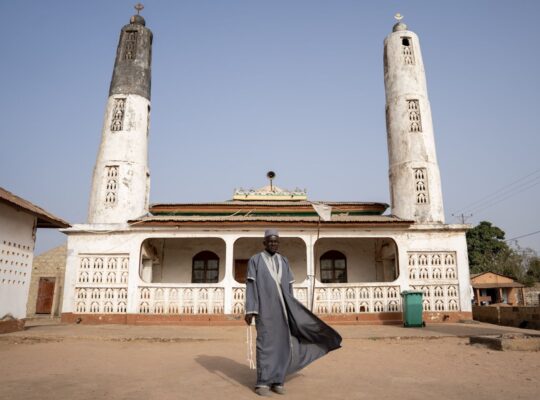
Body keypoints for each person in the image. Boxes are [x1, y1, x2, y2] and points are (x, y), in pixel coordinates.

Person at [245, 229, 342, 396]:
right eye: (270, 241)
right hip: (265, 311)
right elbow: (251, 286)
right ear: (264, 243)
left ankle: (278, 380)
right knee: (266, 344)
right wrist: (251, 309)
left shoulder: (284, 261)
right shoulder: (255, 260)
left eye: (276, 241)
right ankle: (263, 382)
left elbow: (289, 289)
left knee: (283, 344)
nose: (274, 244)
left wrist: (292, 309)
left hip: (283, 310)